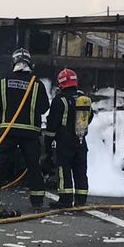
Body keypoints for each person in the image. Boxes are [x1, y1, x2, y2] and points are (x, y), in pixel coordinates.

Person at [0, 48, 49, 210]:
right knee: (33, 165)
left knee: (2, 163)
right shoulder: (37, 84)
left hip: (9, 131)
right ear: (29, 63)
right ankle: (37, 201)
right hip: (30, 133)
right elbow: (44, 107)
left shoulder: (4, 81)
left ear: (14, 63)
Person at [45, 68, 93, 208]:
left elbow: (52, 125)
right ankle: (81, 200)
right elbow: (90, 117)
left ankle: (65, 200)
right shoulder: (84, 100)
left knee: (64, 170)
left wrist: (48, 145)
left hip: (65, 144)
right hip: (81, 141)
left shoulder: (60, 101)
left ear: (61, 83)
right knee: (80, 171)